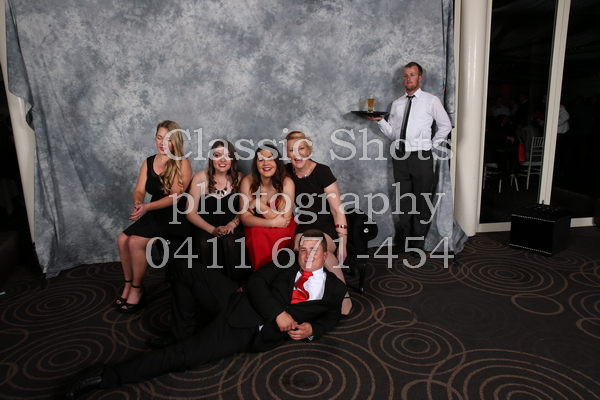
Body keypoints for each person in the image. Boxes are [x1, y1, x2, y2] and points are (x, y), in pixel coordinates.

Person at [65, 229, 347, 400]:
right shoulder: (286, 259)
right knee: (182, 267)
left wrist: (313, 330)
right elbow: (257, 282)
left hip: (246, 326)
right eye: (303, 250)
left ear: (325, 256)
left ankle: (106, 375)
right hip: (239, 296)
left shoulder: (334, 288)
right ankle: (182, 332)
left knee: (184, 355)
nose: (307, 255)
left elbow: (331, 317)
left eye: (314, 251)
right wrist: (278, 314)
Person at [364, 61, 452, 253]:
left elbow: (445, 125)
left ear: (420, 78)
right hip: (400, 157)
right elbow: (393, 133)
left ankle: (417, 243)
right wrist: (380, 121)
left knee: (421, 201)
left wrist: (430, 145)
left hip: (421, 158)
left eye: (412, 74)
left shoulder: (431, 100)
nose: (408, 78)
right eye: (405, 75)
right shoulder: (397, 104)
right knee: (404, 200)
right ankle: (404, 241)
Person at [115, 120, 192, 313]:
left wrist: (147, 207)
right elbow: (139, 190)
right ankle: (128, 284)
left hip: (174, 215)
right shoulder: (148, 161)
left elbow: (175, 197)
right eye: (159, 137)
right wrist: (138, 202)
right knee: (122, 239)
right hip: (153, 211)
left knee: (135, 242)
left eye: (168, 139)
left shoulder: (182, 163)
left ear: (175, 141)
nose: (162, 143)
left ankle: (137, 289)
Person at [284, 131, 352, 315]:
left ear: (308, 150)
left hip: (326, 223)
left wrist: (343, 243)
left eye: (301, 148)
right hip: (304, 224)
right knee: (300, 249)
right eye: (291, 150)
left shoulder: (322, 171)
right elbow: (263, 182)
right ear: (287, 153)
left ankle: (343, 294)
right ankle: (311, 294)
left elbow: (337, 209)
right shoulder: (285, 171)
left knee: (316, 249)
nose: (297, 154)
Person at [186, 140, 249, 283]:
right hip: (205, 226)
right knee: (203, 242)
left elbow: (243, 209)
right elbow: (190, 212)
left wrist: (232, 224)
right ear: (211, 158)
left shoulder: (239, 178)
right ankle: (207, 286)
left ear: (232, 159)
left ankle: (234, 287)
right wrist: (212, 230)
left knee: (229, 241)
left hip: (231, 225)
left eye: (227, 156)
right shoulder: (200, 178)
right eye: (217, 155)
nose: (222, 160)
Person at [239, 143, 297, 271]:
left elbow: (284, 220)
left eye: (270, 158)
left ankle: (278, 277)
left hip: (284, 227)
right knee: (256, 234)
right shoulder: (247, 181)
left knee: (280, 234)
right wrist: (272, 222)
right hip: (258, 223)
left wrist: (259, 204)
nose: (266, 163)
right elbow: (245, 219)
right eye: (261, 160)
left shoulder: (286, 182)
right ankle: (261, 277)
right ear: (256, 164)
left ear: (277, 162)